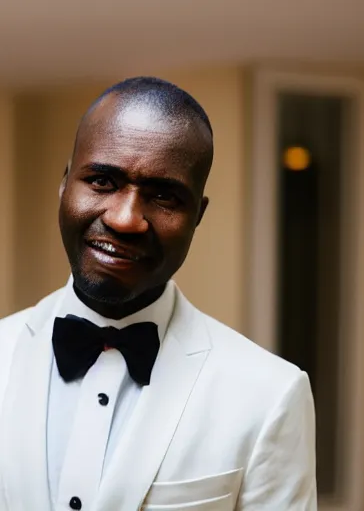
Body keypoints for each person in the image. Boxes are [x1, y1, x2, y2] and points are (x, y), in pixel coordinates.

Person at [0, 77, 316, 510]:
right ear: (65, 183)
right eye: (102, 182)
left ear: (197, 216)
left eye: (164, 196)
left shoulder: (270, 394)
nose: (127, 219)